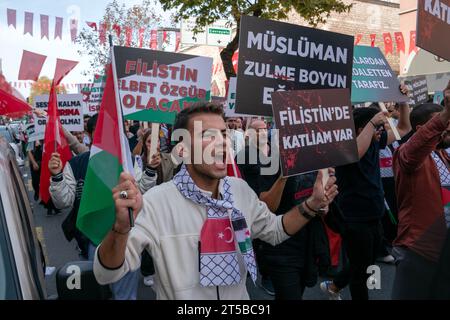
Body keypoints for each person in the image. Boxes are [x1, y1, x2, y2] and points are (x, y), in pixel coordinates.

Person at [93, 102, 338, 299]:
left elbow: (274, 230)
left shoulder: (240, 191)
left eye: (223, 134)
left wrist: (312, 205)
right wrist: (120, 229)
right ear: (184, 148)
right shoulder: (156, 203)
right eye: (208, 135)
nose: (221, 142)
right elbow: (107, 273)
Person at [321, 93, 411, 300]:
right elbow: (355, 153)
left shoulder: (374, 142)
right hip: (354, 217)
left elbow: (404, 128)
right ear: (362, 128)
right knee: (361, 270)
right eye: (379, 127)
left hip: (374, 212)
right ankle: (338, 288)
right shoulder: (344, 147)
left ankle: (334, 285)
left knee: (366, 261)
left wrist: (404, 100)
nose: (382, 131)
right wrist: (373, 122)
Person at [48, 114, 139, 300]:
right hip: (91, 240)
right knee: (95, 293)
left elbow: (143, 193)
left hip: (126, 241)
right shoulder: (77, 164)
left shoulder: (128, 162)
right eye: (99, 132)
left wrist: (150, 172)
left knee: (125, 297)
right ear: (89, 134)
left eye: (110, 132)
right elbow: (62, 201)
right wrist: (57, 176)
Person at [391, 81, 450, 299]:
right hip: (418, 250)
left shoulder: (444, 156)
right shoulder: (407, 155)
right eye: (442, 122)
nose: (447, 126)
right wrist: (443, 117)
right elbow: (412, 152)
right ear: (420, 130)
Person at [133, 128, 178, 287]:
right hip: (146, 206)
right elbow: (140, 188)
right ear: (145, 144)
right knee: (148, 239)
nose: (154, 144)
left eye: (157, 140)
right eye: (149, 141)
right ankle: (147, 270)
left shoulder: (169, 158)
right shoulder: (138, 161)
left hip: (165, 205)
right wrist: (150, 168)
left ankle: (165, 268)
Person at [236, 119, 273, 295]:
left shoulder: (273, 151)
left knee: (265, 242)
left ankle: (266, 276)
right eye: (258, 130)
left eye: (265, 129)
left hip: (269, 204)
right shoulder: (244, 154)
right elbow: (236, 177)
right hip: (249, 205)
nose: (263, 132)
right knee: (249, 241)